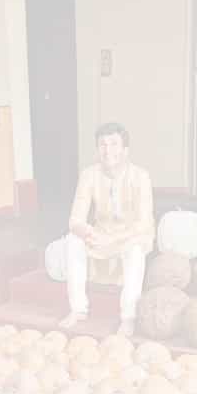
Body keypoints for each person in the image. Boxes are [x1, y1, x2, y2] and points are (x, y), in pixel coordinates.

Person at [59, 123, 155, 337]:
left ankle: (128, 318)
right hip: (101, 234)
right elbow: (75, 219)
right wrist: (86, 232)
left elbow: (143, 223)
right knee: (72, 241)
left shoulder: (140, 176)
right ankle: (78, 309)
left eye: (113, 144)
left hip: (131, 236)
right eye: (102, 144)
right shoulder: (88, 175)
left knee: (135, 250)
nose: (107, 150)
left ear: (125, 150)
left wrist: (112, 240)